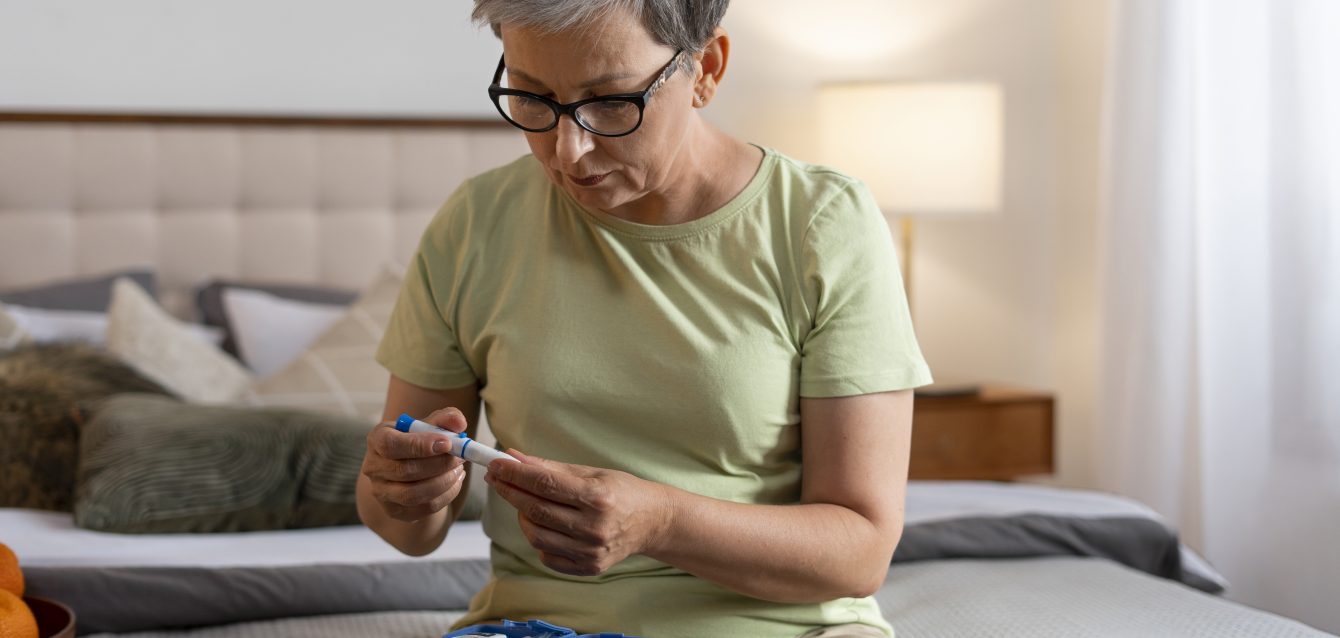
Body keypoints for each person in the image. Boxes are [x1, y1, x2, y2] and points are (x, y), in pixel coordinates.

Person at [357, 1, 932, 636]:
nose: (568, 150)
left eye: (608, 102)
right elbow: (407, 532)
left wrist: (660, 522)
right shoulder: (474, 225)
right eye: (531, 97)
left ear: (706, 68)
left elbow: (861, 551)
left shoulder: (822, 225)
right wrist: (404, 491)